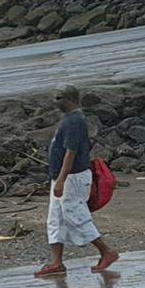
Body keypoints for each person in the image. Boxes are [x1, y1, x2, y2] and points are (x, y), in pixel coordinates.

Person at [35, 87, 118, 278]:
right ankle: (57, 262)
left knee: (76, 216)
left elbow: (70, 153)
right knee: (55, 219)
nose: (55, 102)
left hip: (72, 177)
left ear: (70, 99)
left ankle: (106, 251)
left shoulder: (74, 121)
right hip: (63, 176)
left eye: (58, 98)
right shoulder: (69, 120)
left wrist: (61, 180)